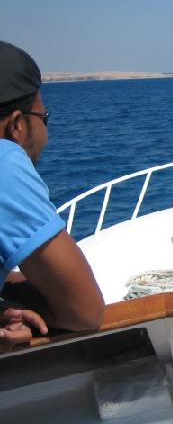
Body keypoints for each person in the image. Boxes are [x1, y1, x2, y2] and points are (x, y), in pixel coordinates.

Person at [0, 41, 103, 350]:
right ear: (16, 124)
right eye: (43, 118)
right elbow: (85, 312)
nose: (47, 134)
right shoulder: (5, 162)